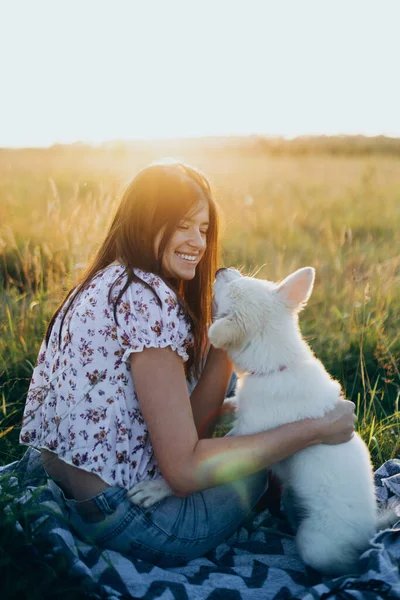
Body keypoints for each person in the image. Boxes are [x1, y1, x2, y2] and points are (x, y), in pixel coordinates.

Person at [19, 160, 356, 567]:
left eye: (203, 228)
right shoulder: (148, 300)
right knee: (260, 450)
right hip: (138, 522)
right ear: (144, 222)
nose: (197, 242)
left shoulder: (102, 282)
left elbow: (187, 431)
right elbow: (181, 473)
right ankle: (283, 493)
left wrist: (226, 342)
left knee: (232, 399)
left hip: (77, 495)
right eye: (182, 224)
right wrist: (315, 428)